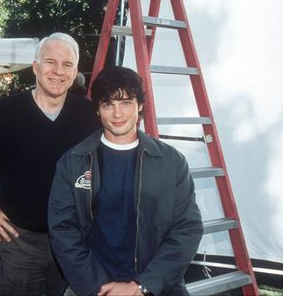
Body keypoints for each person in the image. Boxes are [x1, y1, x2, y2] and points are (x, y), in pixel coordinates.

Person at [0, 32, 101, 296]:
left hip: (75, 240)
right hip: (19, 240)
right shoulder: (4, 112)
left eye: (67, 65)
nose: (58, 71)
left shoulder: (90, 115)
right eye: (50, 62)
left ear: (75, 72)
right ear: (36, 67)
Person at [48, 66, 204, 296]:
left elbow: (187, 228)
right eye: (108, 104)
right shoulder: (73, 162)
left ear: (140, 106)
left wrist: (144, 285)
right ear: (98, 110)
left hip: (158, 287)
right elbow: (63, 231)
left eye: (126, 103)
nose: (117, 114)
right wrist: (98, 286)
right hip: (94, 288)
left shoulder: (171, 162)